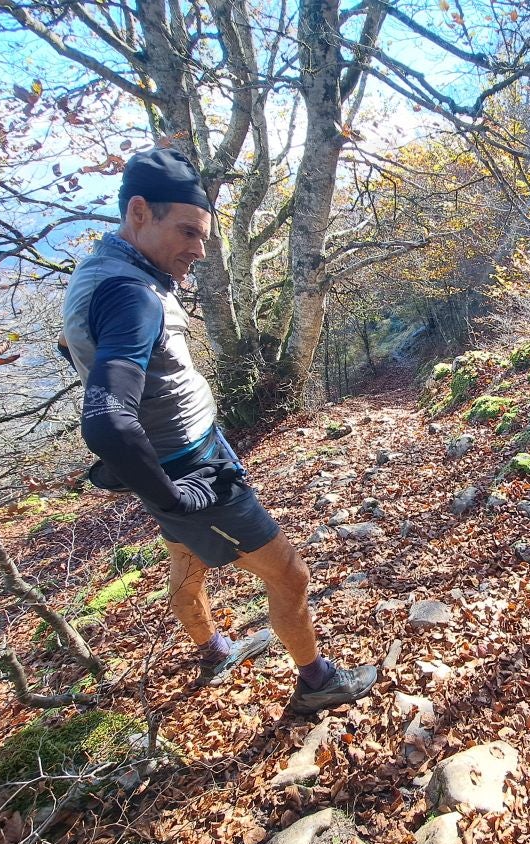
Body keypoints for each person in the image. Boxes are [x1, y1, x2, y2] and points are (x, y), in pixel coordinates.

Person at [58, 147, 376, 714]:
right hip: (190, 469)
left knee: (186, 558)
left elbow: (80, 349)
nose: (198, 250)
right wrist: (174, 494)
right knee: (291, 576)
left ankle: (211, 647)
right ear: (138, 212)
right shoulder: (131, 294)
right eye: (186, 231)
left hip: (174, 457)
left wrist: (156, 484)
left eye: (203, 235)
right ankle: (318, 682)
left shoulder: (109, 271)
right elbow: (107, 418)